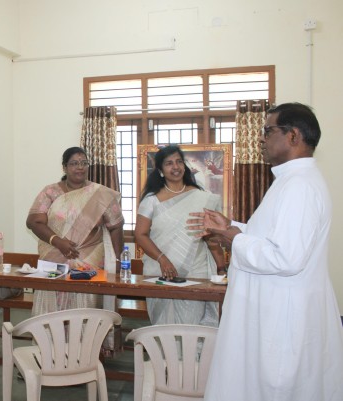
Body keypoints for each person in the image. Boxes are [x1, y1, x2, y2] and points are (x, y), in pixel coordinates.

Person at [188, 103, 343, 400]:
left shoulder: (299, 185)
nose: (261, 138)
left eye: (268, 131)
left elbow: (287, 257)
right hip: (274, 310)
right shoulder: (290, 180)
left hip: (281, 318)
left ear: (293, 135)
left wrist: (234, 238)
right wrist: (230, 227)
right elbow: (273, 237)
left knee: (274, 387)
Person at [26, 147, 124, 316]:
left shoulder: (100, 194)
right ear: (64, 167)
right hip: (55, 260)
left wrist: (119, 261)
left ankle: (86, 335)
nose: (80, 167)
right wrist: (58, 242)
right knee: (52, 313)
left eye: (84, 163)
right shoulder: (51, 192)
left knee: (86, 314)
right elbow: (33, 221)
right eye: (74, 163)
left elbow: (116, 226)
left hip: (89, 262)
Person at [134, 145, 225, 327]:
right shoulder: (151, 200)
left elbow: (211, 238)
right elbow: (140, 234)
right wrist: (163, 259)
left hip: (195, 269)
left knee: (192, 325)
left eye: (179, 162)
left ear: (184, 166)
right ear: (160, 170)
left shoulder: (202, 197)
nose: (175, 167)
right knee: (163, 326)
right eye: (169, 163)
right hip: (159, 270)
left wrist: (221, 268)